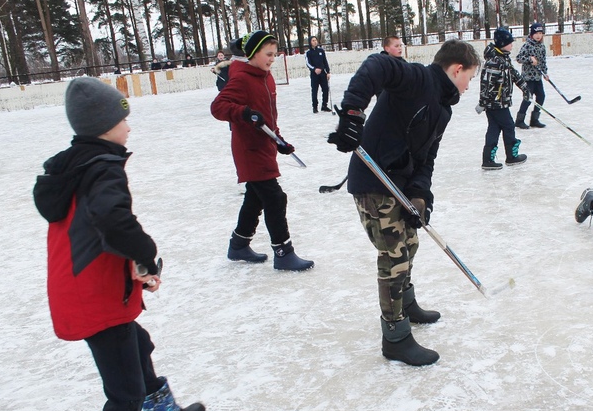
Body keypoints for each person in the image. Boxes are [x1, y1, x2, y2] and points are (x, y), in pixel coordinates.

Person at [32, 77, 205, 411]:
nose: (129, 126)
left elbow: (94, 228)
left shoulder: (75, 164)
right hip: (96, 299)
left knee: (138, 345)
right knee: (124, 396)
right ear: (104, 124)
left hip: (85, 289)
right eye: (123, 117)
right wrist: (145, 252)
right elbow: (113, 221)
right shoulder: (102, 167)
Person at [327, 39, 481, 366]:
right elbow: (377, 66)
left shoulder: (442, 109)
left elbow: (427, 159)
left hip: (399, 185)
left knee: (409, 245)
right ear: (457, 69)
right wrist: (353, 112)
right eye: (470, 77)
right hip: (374, 181)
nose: (469, 86)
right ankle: (395, 336)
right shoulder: (416, 79)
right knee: (394, 254)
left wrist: (420, 196)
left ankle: (406, 304)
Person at [211, 31, 314, 271]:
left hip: (264, 145)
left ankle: (239, 244)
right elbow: (218, 107)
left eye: (274, 55)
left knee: (255, 196)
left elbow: (267, 116)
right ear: (253, 53)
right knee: (275, 198)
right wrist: (244, 113)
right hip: (249, 149)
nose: (271, 59)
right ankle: (283, 251)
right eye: (268, 54)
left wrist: (278, 139)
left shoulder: (265, 78)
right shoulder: (242, 78)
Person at [478, 26, 530, 170]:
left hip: (500, 102)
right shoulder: (494, 61)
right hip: (495, 103)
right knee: (508, 126)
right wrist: (484, 102)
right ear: (502, 44)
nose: (512, 44)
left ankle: (487, 160)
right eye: (510, 42)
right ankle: (511, 156)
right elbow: (485, 83)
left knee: (494, 128)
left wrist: (525, 88)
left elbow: (514, 75)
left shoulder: (503, 59)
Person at [515, 22, 550, 129]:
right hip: (528, 78)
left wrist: (545, 73)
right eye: (536, 33)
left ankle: (534, 119)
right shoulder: (527, 45)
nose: (538, 35)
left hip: (537, 77)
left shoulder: (542, 47)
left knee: (541, 96)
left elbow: (543, 61)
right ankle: (519, 120)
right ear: (532, 34)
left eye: (540, 33)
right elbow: (519, 58)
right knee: (528, 98)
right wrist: (530, 59)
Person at [305, 35, 331, 113]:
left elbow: (325, 61)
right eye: (313, 40)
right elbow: (308, 63)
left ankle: (324, 105)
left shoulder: (321, 51)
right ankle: (315, 107)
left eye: (315, 40)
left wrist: (328, 71)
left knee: (326, 89)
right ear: (310, 42)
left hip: (323, 74)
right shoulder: (308, 53)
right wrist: (314, 69)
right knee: (314, 91)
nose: (315, 42)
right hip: (314, 75)